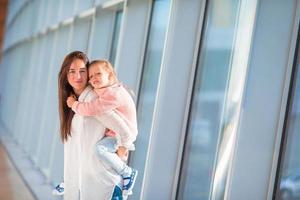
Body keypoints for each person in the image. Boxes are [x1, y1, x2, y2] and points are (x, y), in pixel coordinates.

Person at [57, 51, 131, 200]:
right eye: (72, 71)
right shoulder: (75, 101)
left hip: (104, 183)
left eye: (82, 71)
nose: (77, 76)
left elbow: (125, 131)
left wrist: (123, 148)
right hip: (89, 181)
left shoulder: (93, 101)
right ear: (65, 74)